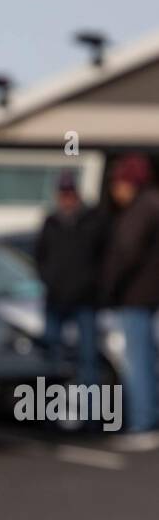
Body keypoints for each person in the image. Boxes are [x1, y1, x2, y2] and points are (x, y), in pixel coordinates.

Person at [101, 154, 159, 445]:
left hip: (138, 297)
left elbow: (126, 253)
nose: (115, 190)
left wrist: (108, 289)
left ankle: (143, 423)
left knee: (138, 363)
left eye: (118, 183)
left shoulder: (140, 209)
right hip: (150, 296)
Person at [35, 171, 109, 385]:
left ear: (76, 193)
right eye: (63, 192)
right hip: (55, 299)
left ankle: (91, 414)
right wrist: (48, 279)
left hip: (85, 299)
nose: (66, 197)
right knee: (49, 359)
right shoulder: (50, 222)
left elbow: (104, 256)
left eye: (70, 192)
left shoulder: (93, 221)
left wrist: (93, 284)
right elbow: (40, 256)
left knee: (88, 359)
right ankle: (49, 412)